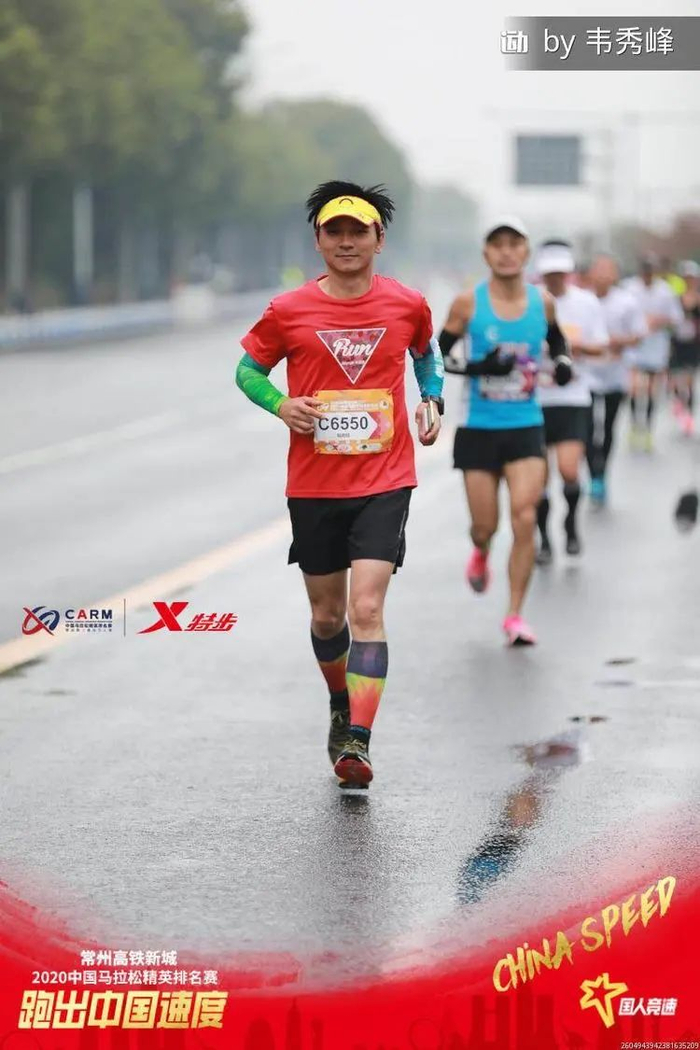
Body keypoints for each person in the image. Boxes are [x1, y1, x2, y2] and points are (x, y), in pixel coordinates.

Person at [235, 181, 443, 789]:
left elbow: (426, 354)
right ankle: (338, 700)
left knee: (367, 608)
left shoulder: (407, 304)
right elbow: (248, 370)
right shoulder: (288, 310)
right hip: (314, 484)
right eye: (335, 231)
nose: (347, 241)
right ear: (318, 240)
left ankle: (358, 738)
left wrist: (432, 397)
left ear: (380, 239)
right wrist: (281, 404)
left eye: (358, 231)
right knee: (328, 617)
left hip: (385, 478)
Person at [439, 216, 572, 646]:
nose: (506, 252)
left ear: (526, 252)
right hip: (478, 428)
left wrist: (563, 364)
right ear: (486, 253)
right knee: (485, 526)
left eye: (514, 244)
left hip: (525, 426)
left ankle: (514, 615)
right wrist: (478, 366)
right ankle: (480, 551)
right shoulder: (467, 304)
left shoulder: (543, 302)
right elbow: (436, 357)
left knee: (525, 516)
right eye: (498, 244)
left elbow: (558, 342)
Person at [533, 240, 608, 562]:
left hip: (573, 398)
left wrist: (570, 346)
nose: (555, 278)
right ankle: (544, 539)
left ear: (569, 273)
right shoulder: (530, 301)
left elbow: (601, 346)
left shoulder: (586, 303)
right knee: (538, 478)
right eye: (549, 273)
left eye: (560, 273)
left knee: (568, 470)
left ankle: (571, 524)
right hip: (536, 399)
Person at [583, 254, 648, 505]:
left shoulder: (627, 302)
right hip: (586, 375)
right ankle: (594, 474)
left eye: (607, 270)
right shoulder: (583, 301)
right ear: (591, 273)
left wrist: (615, 342)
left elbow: (639, 335)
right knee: (588, 428)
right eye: (598, 269)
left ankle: (602, 472)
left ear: (615, 275)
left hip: (615, 374)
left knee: (608, 427)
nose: (602, 275)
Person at [624, 253, 684, 450]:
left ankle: (648, 429)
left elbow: (677, 318)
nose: (647, 275)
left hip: (656, 347)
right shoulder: (629, 288)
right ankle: (634, 425)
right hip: (634, 347)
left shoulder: (665, 291)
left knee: (651, 390)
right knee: (634, 388)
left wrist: (659, 320)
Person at [669, 260, 700, 436]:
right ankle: (679, 402)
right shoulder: (676, 298)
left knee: (689, 381)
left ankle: (688, 415)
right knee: (675, 380)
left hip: (693, 344)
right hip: (678, 343)